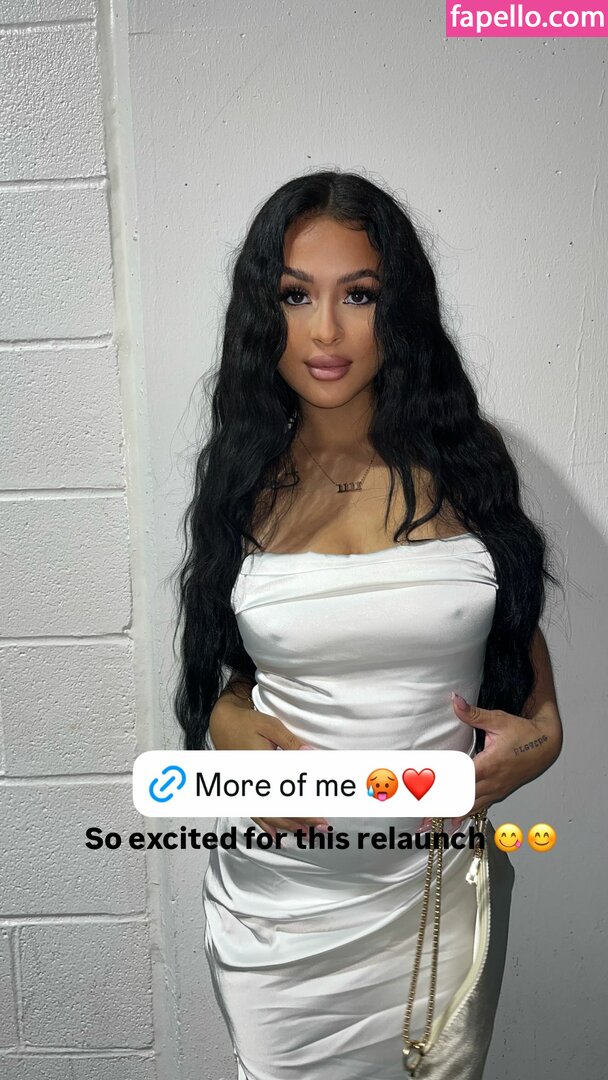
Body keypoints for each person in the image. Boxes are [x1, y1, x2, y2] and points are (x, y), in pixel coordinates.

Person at [172, 170, 563, 1080]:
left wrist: (545, 734)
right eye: (295, 295)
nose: (325, 331)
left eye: (358, 295)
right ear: (261, 312)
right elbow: (235, 663)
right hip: (280, 901)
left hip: (430, 887)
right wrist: (226, 720)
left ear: (400, 309)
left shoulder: (468, 462)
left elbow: (512, 630)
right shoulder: (239, 474)